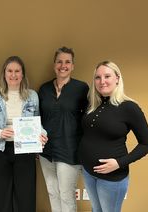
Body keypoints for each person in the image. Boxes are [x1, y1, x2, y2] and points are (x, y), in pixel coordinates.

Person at [79, 61, 148, 212]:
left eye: (107, 76)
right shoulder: (92, 104)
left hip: (112, 178)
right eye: (98, 77)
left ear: (117, 78)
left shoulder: (129, 107)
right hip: (88, 171)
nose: (102, 81)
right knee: (96, 210)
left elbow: (147, 144)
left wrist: (119, 163)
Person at [0, 56, 47, 212]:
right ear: (4, 74)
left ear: (22, 74)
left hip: (26, 150)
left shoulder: (32, 96)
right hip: (1, 150)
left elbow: (38, 123)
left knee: (26, 195)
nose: (13, 74)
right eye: (9, 71)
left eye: (17, 71)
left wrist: (42, 134)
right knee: (1, 194)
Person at [38, 46, 89, 212]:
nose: (63, 65)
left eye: (67, 62)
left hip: (70, 150)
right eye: (59, 61)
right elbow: (37, 119)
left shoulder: (82, 88)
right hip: (46, 152)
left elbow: (88, 120)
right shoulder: (44, 89)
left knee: (66, 195)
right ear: (54, 65)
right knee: (53, 192)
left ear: (73, 66)